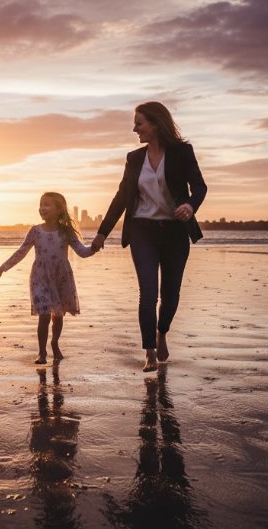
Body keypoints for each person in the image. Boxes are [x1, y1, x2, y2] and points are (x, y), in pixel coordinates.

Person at [91, 102, 207, 373]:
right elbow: (121, 197)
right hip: (142, 230)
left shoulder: (181, 152)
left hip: (176, 231)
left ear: (155, 124)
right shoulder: (134, 159)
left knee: (171, 294)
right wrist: (101, 233)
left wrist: (190, 206)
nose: (135, 128)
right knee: (148, 293)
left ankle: (162, 332)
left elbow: (199, 186)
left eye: (139, 123)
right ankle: (149, 351)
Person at [0, 192, 96, 364]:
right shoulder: (35, 231)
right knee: (44, 316)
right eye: (41, 204)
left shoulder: (66, 231)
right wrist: (3, 267)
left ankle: (55, 343)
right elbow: (21, 252)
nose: (42, 208)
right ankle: (42, 352)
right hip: (40, 278)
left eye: (47, 204)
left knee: (58, 315)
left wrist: (95, 247)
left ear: (59, 209)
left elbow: (82, 251)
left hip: (61, 278)